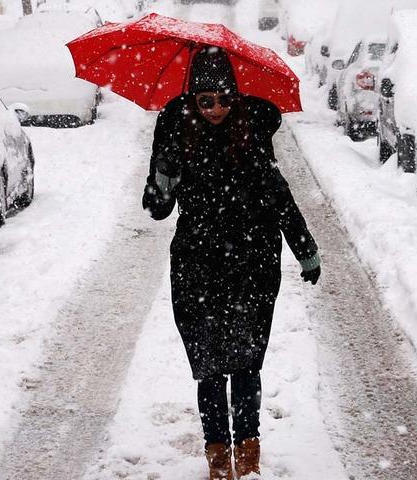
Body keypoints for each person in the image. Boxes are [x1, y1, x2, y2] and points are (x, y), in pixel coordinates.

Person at [142, 46, 321, 480]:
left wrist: (305, 249)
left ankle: (248, 454)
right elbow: (156, 210)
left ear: (235, 98)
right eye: (206, 101)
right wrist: (164, 177)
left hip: (252, 264)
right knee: (207, 367)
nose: (217, 108)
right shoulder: (174, 135)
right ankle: (218, 458)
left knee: (244, 364)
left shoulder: (253, 134)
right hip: (196, 264)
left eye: (224, 98)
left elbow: (280, 199)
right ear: (193, 100)